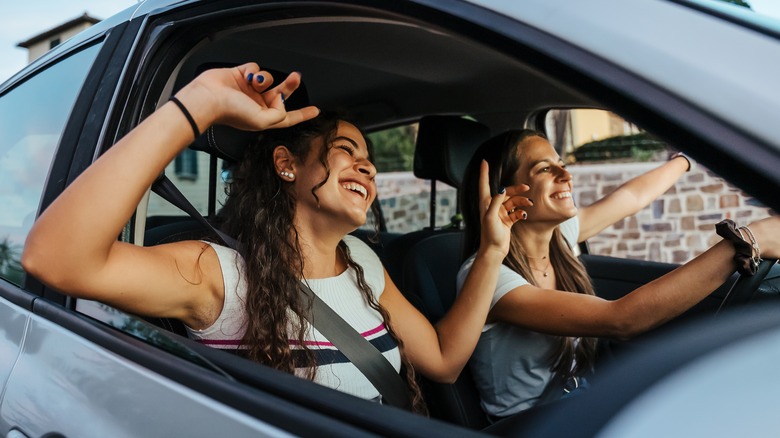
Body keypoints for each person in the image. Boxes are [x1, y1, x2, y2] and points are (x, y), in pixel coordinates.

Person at [21, 63, 532, 412]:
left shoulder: (361, 261)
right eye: (345, 149)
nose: (368, 165)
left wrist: (491, 252)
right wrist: (198, 103)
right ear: (286, 165)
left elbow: (442, 364)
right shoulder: (215, 274)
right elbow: (55, 259)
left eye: (369, 158)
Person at [457, 129, 780, 419]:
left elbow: (633, 197)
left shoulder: (562, 237)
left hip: (577, 398)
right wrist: (748, 242)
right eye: (544, 168)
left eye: (561, 162)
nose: (565, 174)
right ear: (504, 193)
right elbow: (621, 320)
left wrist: (688, 159)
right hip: (531, 424)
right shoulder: (489, 276)